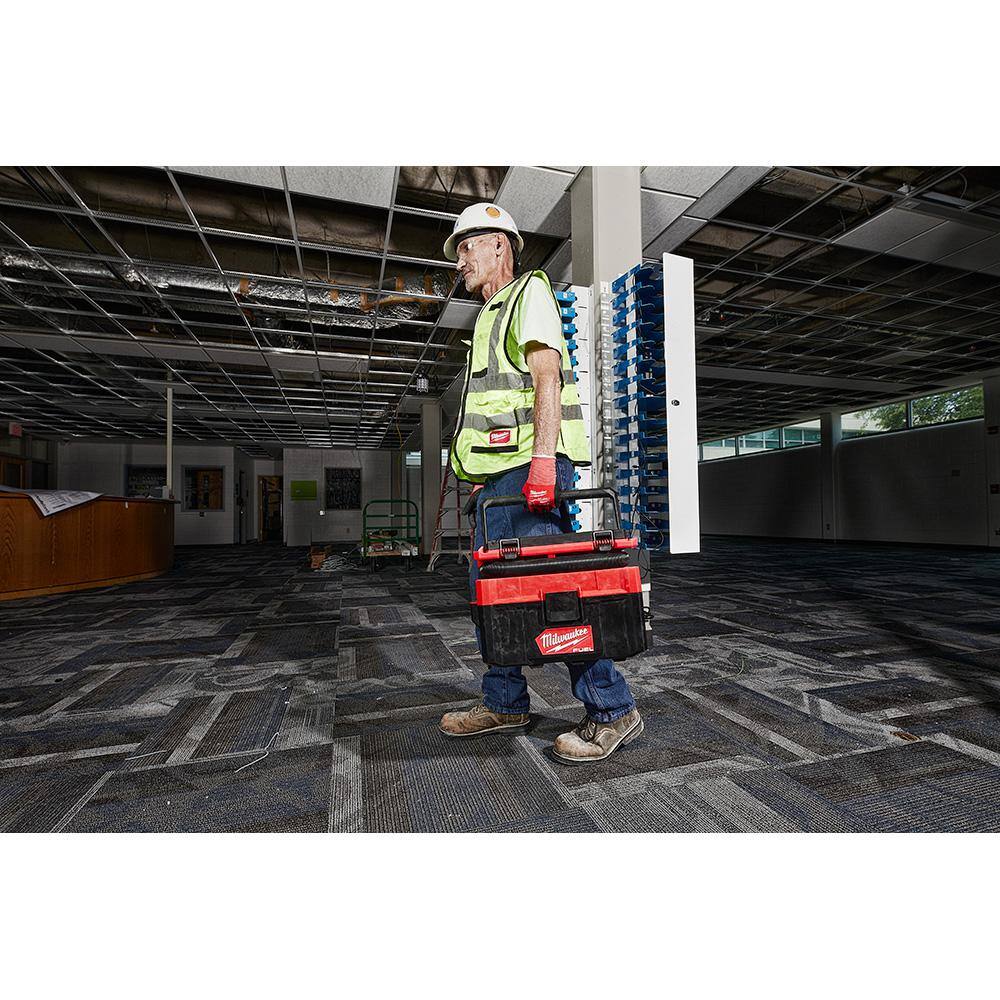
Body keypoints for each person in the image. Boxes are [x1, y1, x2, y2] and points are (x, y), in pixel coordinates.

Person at [437, 203, 643, 765]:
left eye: (467, 247)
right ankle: (504, 701)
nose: (460, 260)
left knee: (554, 594)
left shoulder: (527, 293)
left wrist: (544, 463)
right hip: (500, 482)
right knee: (493, 594)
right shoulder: (489, 314)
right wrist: (484, 481)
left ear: (499, 245)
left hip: (529, 472)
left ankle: (612, 709)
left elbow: (547, 380)